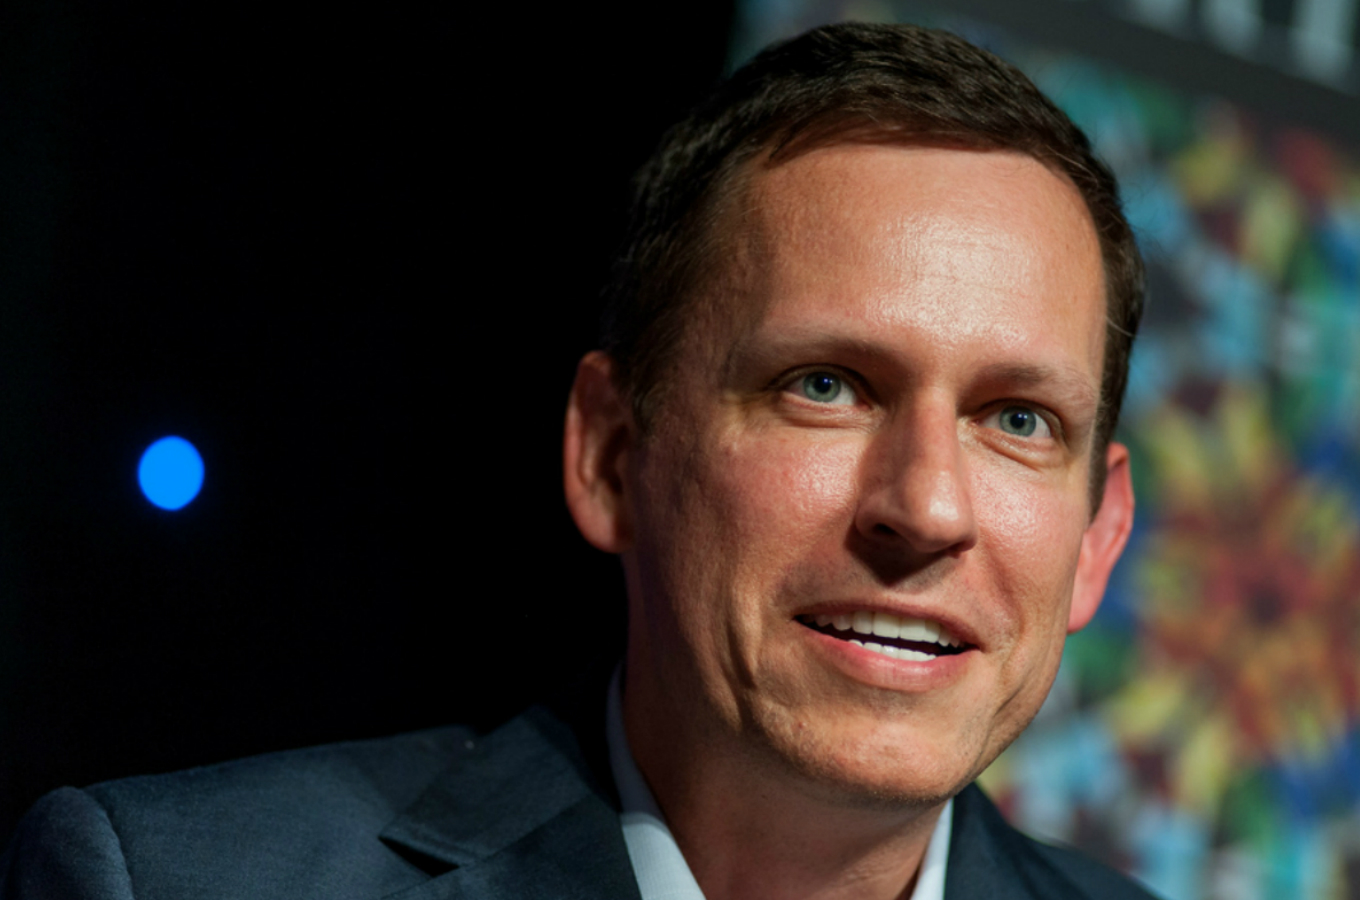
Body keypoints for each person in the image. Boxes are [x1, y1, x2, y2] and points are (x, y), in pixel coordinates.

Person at [1, 22, 1152, 900]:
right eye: (825, 386)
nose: (927, 505)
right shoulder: (175, 882)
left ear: (1098, 538)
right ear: (610, 452)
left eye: (1017, 420)